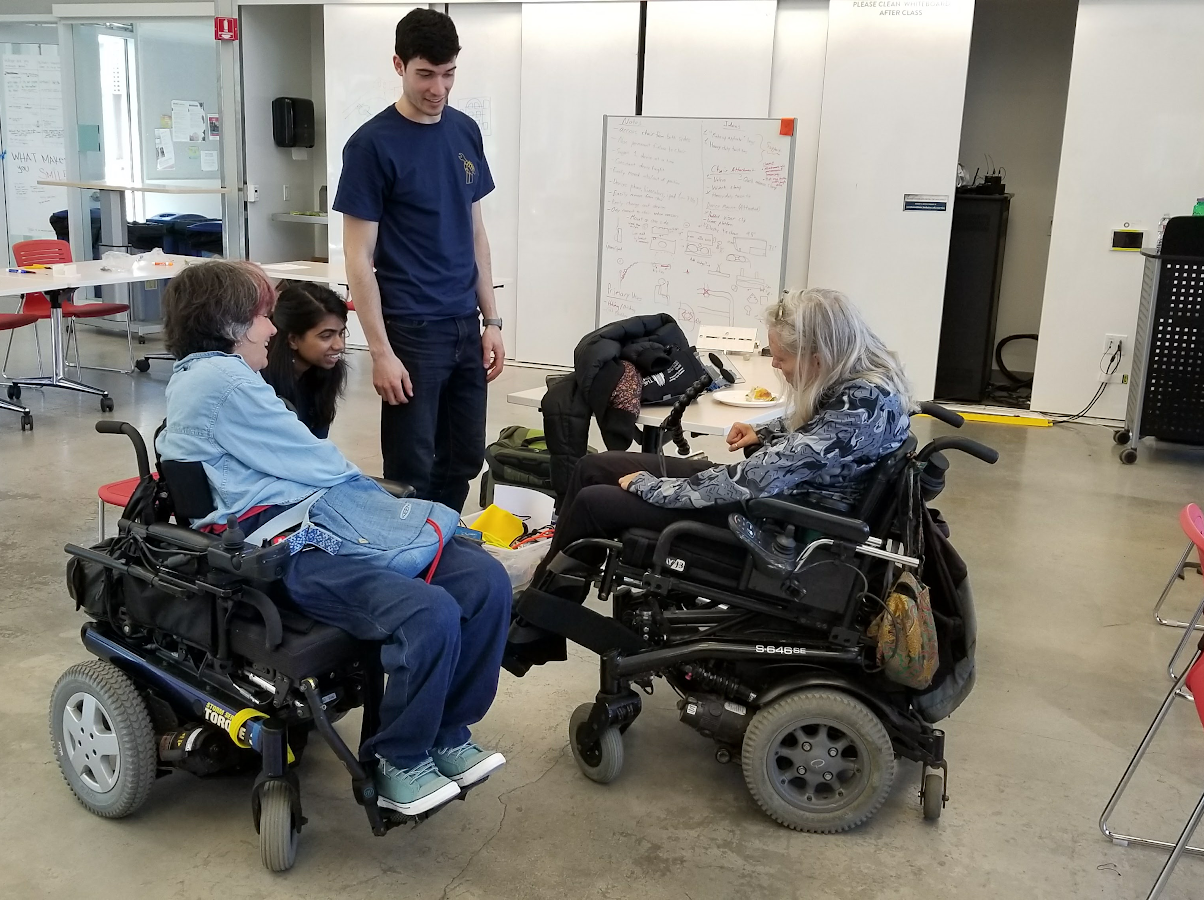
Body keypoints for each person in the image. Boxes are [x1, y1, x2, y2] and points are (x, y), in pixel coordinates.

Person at [156, 260, 511, 817]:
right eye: (263, 318)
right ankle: (398, 761)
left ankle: (446, 733)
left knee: (485, 579)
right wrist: (386, 511)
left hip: (318, 521)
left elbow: (306, 460)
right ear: (231, 323)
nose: (271, 331)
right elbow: (318, 463)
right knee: (431, 610)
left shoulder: (221, 374)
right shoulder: (218, 379)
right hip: (284, 546)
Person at [522, 288, 914, 617]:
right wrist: (764, 433)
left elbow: (755, 478)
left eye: (781, 358)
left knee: (596, 503)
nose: (775, 365)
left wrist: (654, 488)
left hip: (780, 522)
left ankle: (535, 622)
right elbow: (821, 438)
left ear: (818, 356)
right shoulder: (863, 382)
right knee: (595, 466)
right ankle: (541, 606)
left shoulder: (863, 404)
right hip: (783, 500)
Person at [334, 7, 505, 512]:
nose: (438, 88)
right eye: (425, 74)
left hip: (462, 323)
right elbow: (358, 259)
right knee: (412, 468)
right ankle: (410, 568)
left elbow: (475, 233)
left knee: (464, 459)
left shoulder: (465, 131)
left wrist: (491, 319)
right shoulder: (370, 146)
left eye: (448, 73)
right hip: (411, 329)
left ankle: (444, 552)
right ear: (398, 65)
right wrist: (380, 351)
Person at [260, 280, 349, 439]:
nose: (339, 345)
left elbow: (316, 442)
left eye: (341, 333)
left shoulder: (325, 373)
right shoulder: (261, 382)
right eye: (326, 336)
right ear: (293, 340)